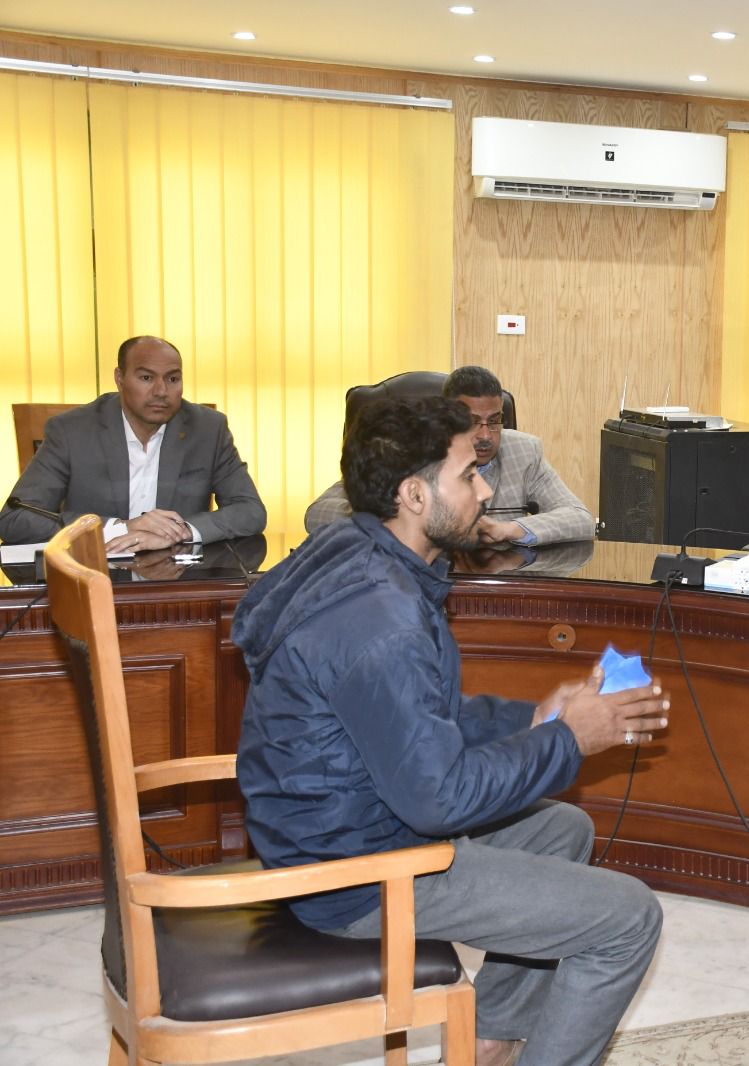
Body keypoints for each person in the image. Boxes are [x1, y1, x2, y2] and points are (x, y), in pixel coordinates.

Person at [235, 397, 668, 1066]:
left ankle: (487, 1039)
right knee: (629, 919)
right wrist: (569, 740)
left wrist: (532, 720)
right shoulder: (383, 618)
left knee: (563, 830)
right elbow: (439, 800)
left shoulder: (362, 554)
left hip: (333, 829)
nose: (486, 491)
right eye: (468, 475)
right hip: (353, 874)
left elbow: (417, 715)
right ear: (414, 495)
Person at [0, 335, 266, 551]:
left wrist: (181, 531)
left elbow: (250, 510)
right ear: (120, 379)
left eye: (173, 379)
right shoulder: (71, 431)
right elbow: (15, 519)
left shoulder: (208, 429)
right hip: (95, 575)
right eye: (146, 378)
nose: (161, 391)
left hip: (177, 580)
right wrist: (119, 529)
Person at [305, 365, 594, 546]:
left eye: (494, 421)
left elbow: (580, 518)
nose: (485, 435)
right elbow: (318, 513)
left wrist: (509, 529)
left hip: (497, 587)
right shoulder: (415, 451)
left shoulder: (524, 452)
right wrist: (395, 520)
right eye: (471, 421)